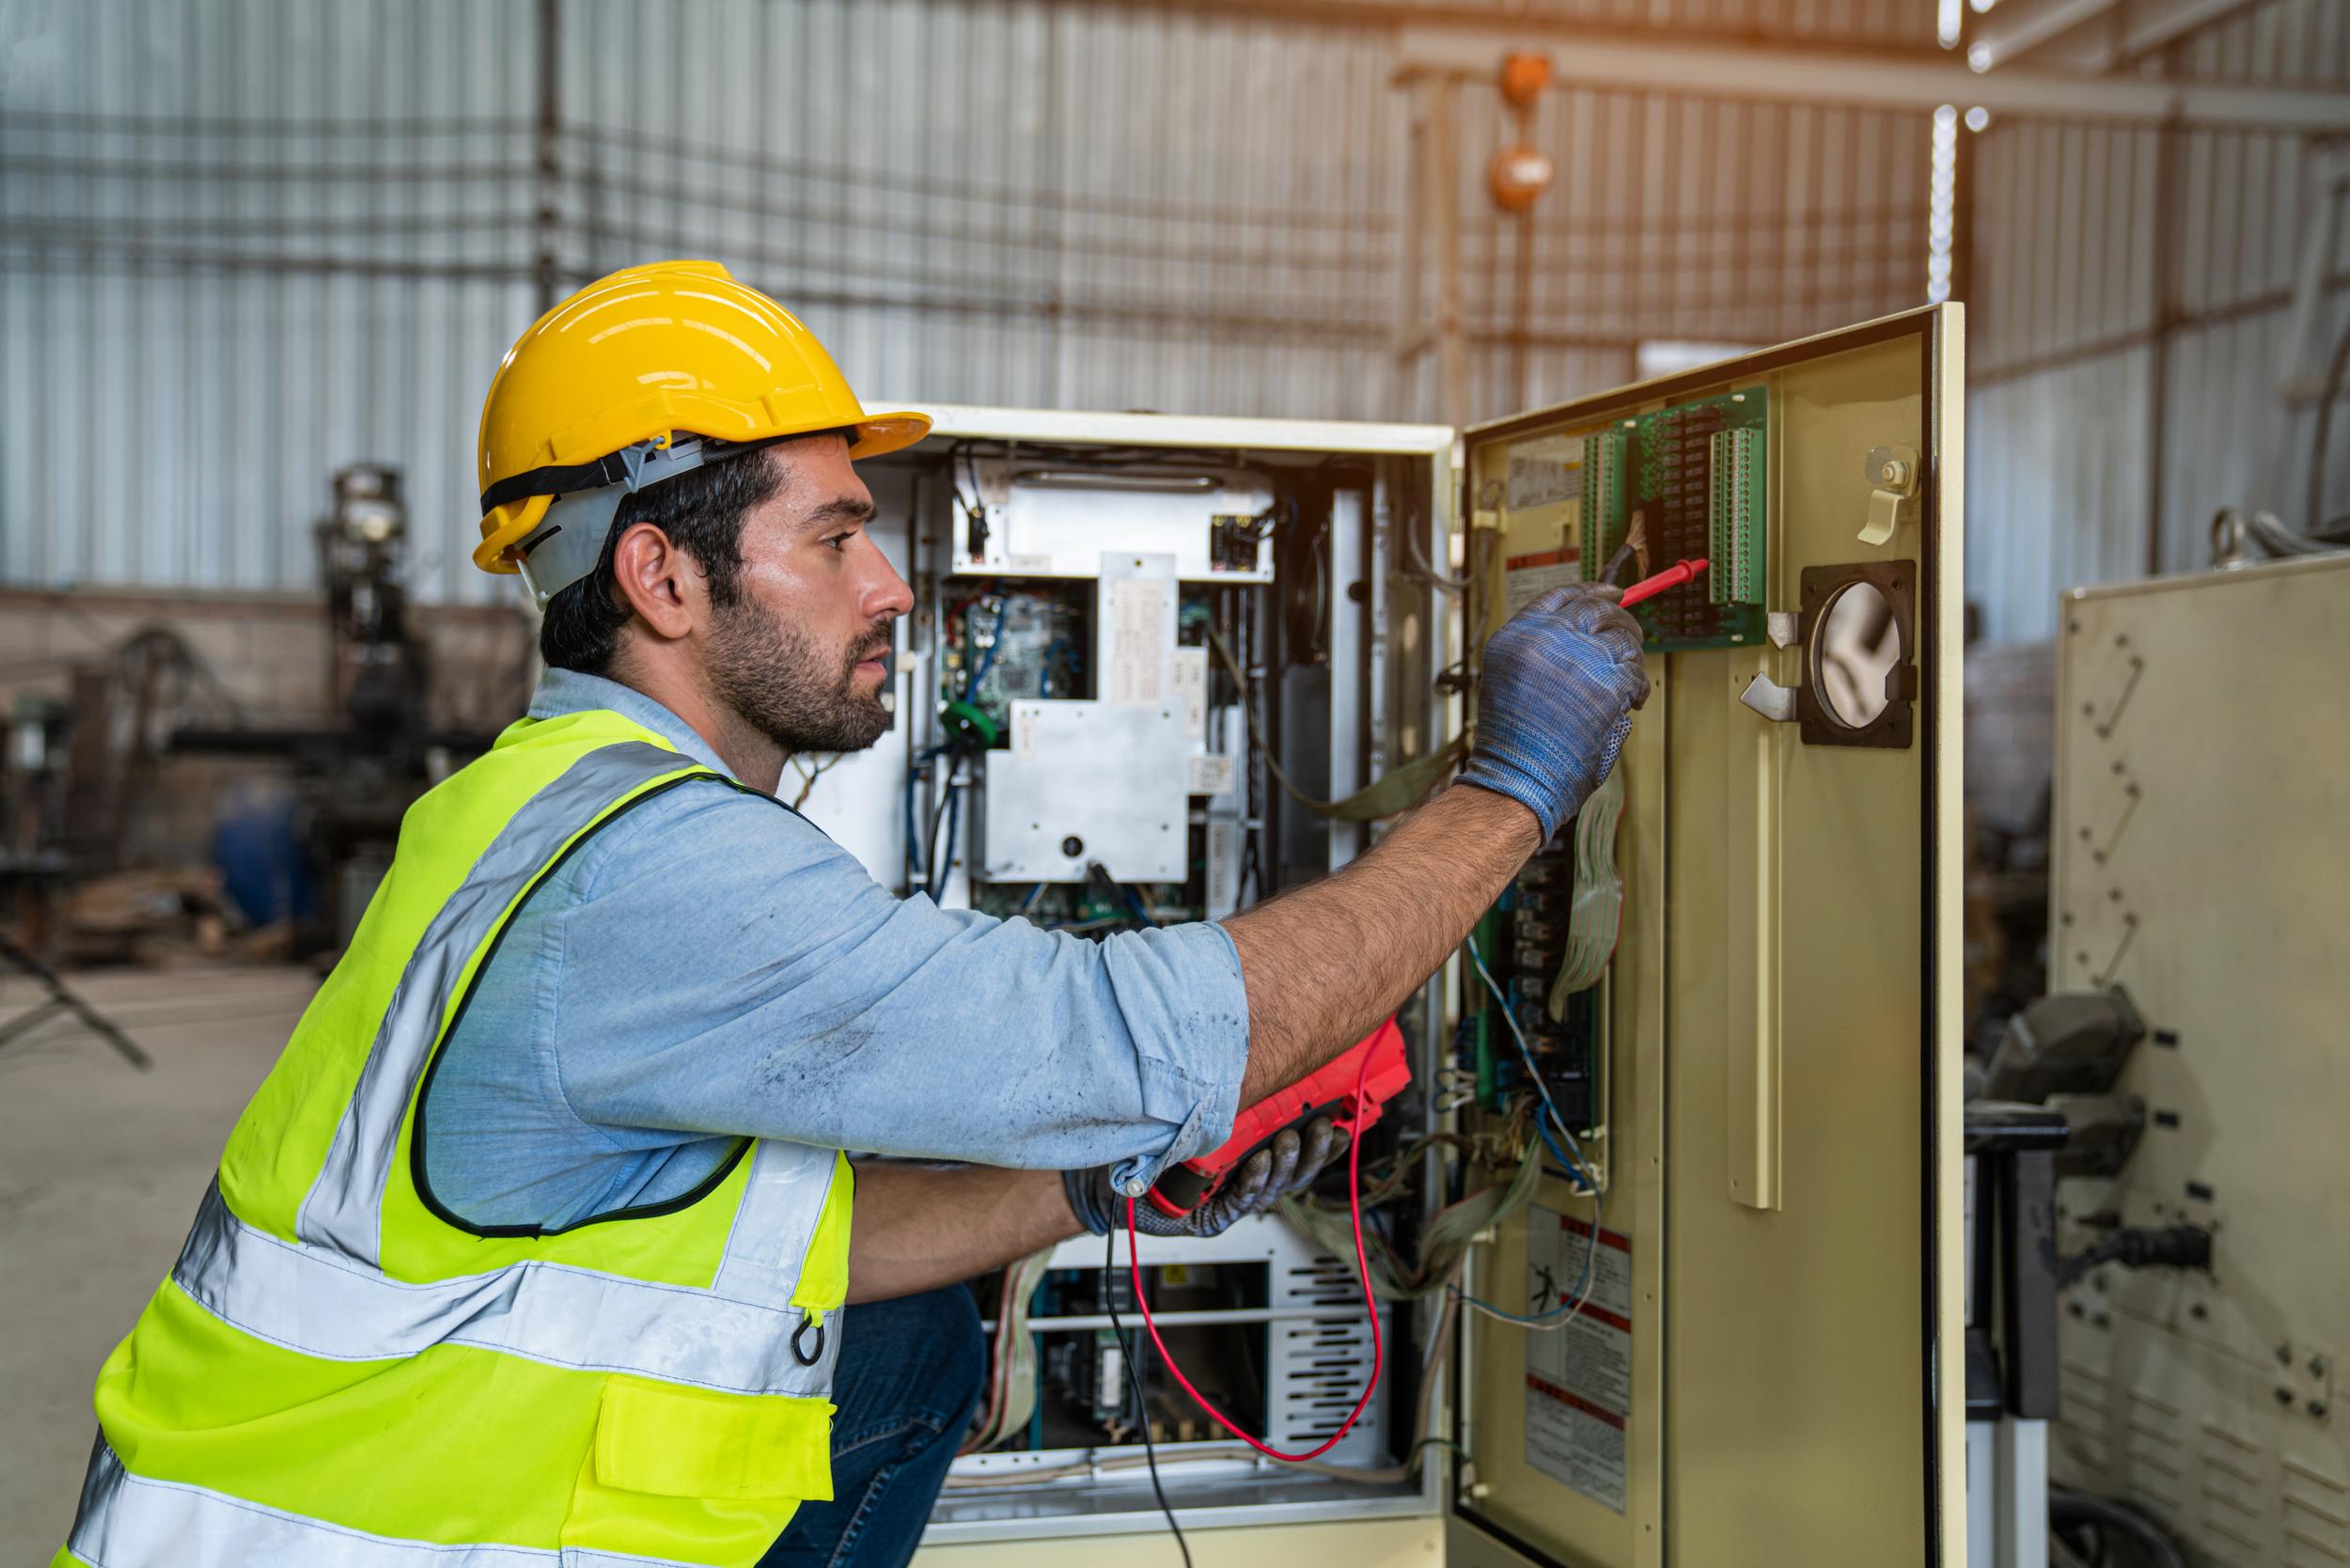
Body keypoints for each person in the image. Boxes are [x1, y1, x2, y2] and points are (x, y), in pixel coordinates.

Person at [56, 261, 1649, 1568]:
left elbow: (760, 1239)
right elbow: (1155, 1036)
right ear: (667, 581)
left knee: (904, 1352)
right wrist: (1508, 790)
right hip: (353, 1540)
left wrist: (1101, 1189)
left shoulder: (529, 796)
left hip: (293, 1504)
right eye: (833, 537)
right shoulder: (655, 876)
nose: (889, 586)